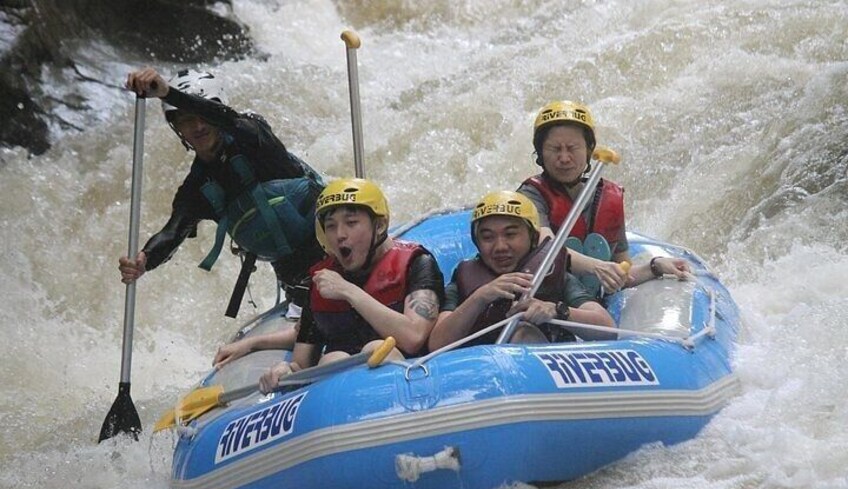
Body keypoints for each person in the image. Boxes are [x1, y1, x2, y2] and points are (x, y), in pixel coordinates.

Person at [119, 67, 326, 325]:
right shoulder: (198, 188)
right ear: (176, 127)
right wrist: (144, 260)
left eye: (202, 114)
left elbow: (228, 120)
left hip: (337, 246)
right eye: (184, 118)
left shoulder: (252, 135)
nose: (197, 125)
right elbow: (172, 233)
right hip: (295, 276)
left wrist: (168, 94)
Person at [245, 178, 444, 394]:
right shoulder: (321, 281)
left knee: (376, 350)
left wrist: (348, 291)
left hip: (406, 378)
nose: (340, 235)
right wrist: (285, 370)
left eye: (351, 223)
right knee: (333, 358)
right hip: (339, 383)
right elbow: (301, 364)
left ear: (379, 226)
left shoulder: (418, 263)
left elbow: (414, 337)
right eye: (331, 226)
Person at [518, 100, 689, 293]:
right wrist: (597, 267)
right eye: (555, 149)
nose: (564, 158)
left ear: (589, 150)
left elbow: (622, 273)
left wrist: (655, 267)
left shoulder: (608, 196)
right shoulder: (530, 196)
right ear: (540, 153)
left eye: (572, 148)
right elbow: (546, 248)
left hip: (591, 304)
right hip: (544, 299)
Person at [428, 191, 615, 351]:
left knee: (523, 333)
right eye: (487, 237)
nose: (500, 246)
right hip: (487, 373)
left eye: (511, 234)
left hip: (545, 372)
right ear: (477, 242)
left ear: (533, 237)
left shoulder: (550, 272)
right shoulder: (465, 278)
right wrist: (479, 297)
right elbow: (437, 344)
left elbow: (607, 328)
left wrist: (557, 310)